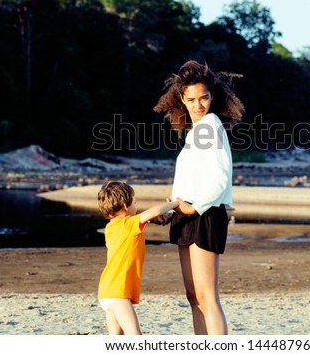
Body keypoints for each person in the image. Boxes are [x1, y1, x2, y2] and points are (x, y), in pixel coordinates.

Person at [153, 60, 244, 335]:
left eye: (203, 98)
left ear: (212, 96)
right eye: (191, 99)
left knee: (207, 298)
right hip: (184, 215)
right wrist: (171, 210)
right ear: (181, 99)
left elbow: (220, 176)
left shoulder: (211, 124)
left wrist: (194, 208)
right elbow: (190, 180)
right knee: (193, 298)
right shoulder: (196, 132)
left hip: (204, 215)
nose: (198, 104)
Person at [97, 180, 178, 335]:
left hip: (106, 291)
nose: (137, 204)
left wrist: (153, 219)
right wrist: (174, 204)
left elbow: (143, 220)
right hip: (118, 293)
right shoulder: (129, 224)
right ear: (125, 206)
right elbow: (153, 212)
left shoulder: (112, 226)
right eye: (135, 201)